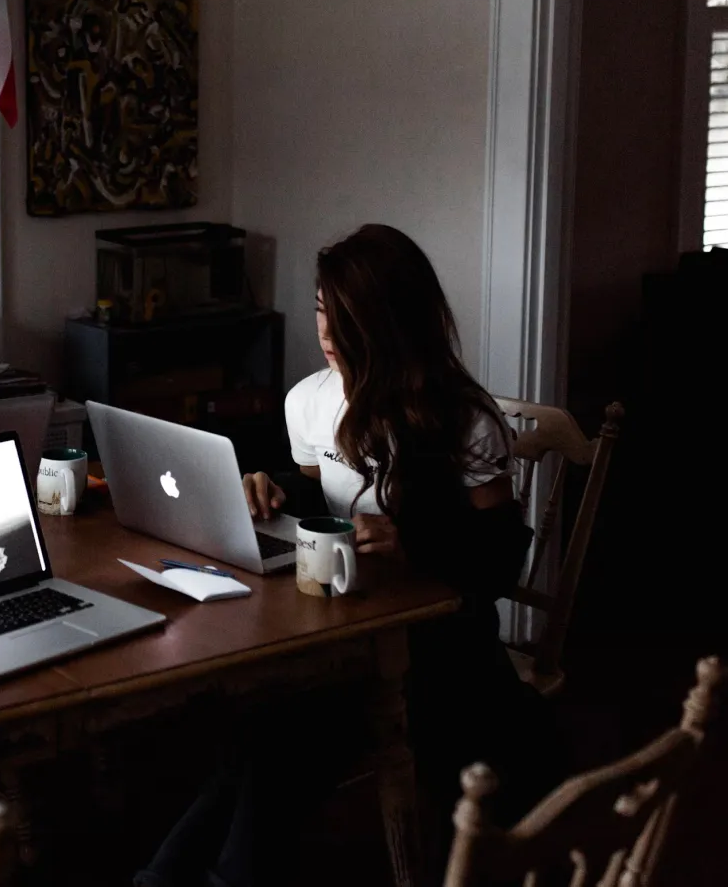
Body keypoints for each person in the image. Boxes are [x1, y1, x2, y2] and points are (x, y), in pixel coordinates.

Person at [137, 224, 558, 887]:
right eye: (320, 309)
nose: (327, 332)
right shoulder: (308, 401)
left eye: (346, 316)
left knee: (280, 736)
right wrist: (272, 486)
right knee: (264, 735)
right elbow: (321, 492)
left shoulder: (464, 419)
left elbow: (503, 558)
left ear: (391, 322)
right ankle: (170, 878)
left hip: (435, 645)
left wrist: (414, 542)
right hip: (340, 625)